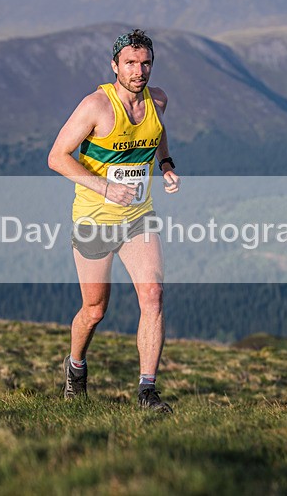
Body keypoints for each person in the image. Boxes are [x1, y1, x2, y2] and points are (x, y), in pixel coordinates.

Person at [48, 29, 180, 413]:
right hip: (94, 220)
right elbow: (57, 157)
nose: (139, 71)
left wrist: (166, 163)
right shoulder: (95, 106)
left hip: (138, 217)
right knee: (94, 311)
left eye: (145, 63)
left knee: (153, 297)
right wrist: (104, 187)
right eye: (130, 64)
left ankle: (147, 392)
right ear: (115, 66)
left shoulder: (158, 100)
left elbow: (157, 132)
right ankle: (75, 368)